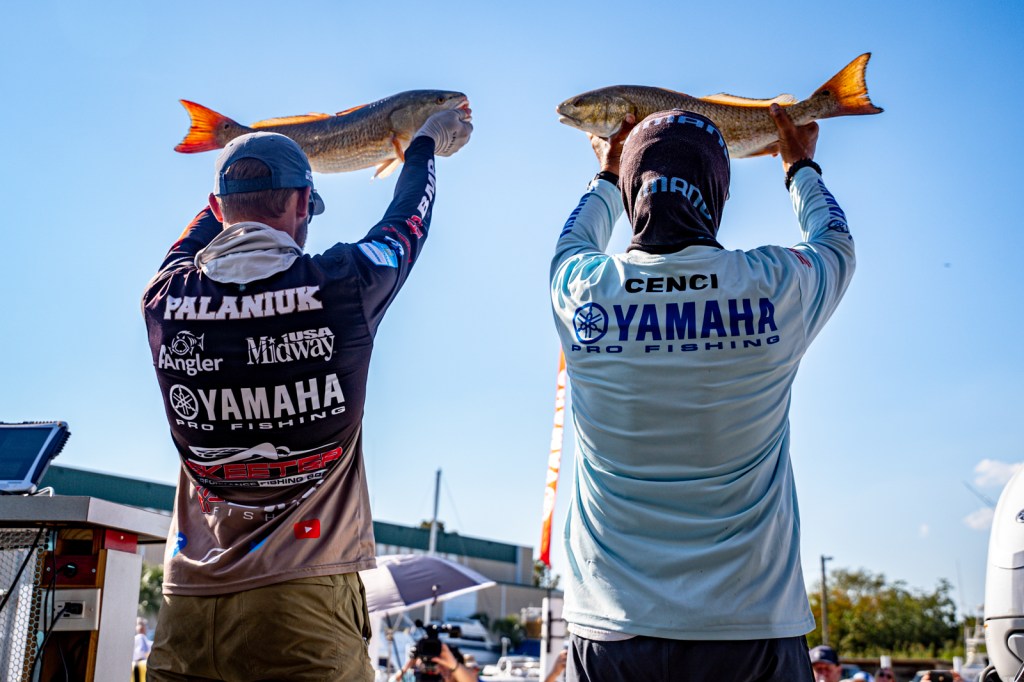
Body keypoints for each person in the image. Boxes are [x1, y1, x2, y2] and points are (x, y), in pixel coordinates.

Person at [142, 109, 472, 681]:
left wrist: (240, 159)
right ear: (302, 204)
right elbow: (407, 222)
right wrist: (423, 144)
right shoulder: (346, 283)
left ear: (218, 209)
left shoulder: (164, 297)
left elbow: (198, 233)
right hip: (304, 607)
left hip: (187, 609)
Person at [549, 101, 855, 682]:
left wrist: (607, 174)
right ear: (718, 196)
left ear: (633, 194)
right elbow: (836, 242)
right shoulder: (773, 284)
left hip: (611, 628)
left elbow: (573, 240)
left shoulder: (581, 286)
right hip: (752, 627)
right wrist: (800, 167)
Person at [392, 642, 478, 682]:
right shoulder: (415, 677)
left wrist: (454, 665)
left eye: (443, 665)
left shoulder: (458, 674)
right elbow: (395, 680)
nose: (439, 668)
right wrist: (410, 663)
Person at [133, 617, 152, 682]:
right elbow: (141, 652)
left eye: (143, 625)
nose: (141, 627)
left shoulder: (147, 641)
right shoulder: (139, 638)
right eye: (139, 624)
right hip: (139, 667)